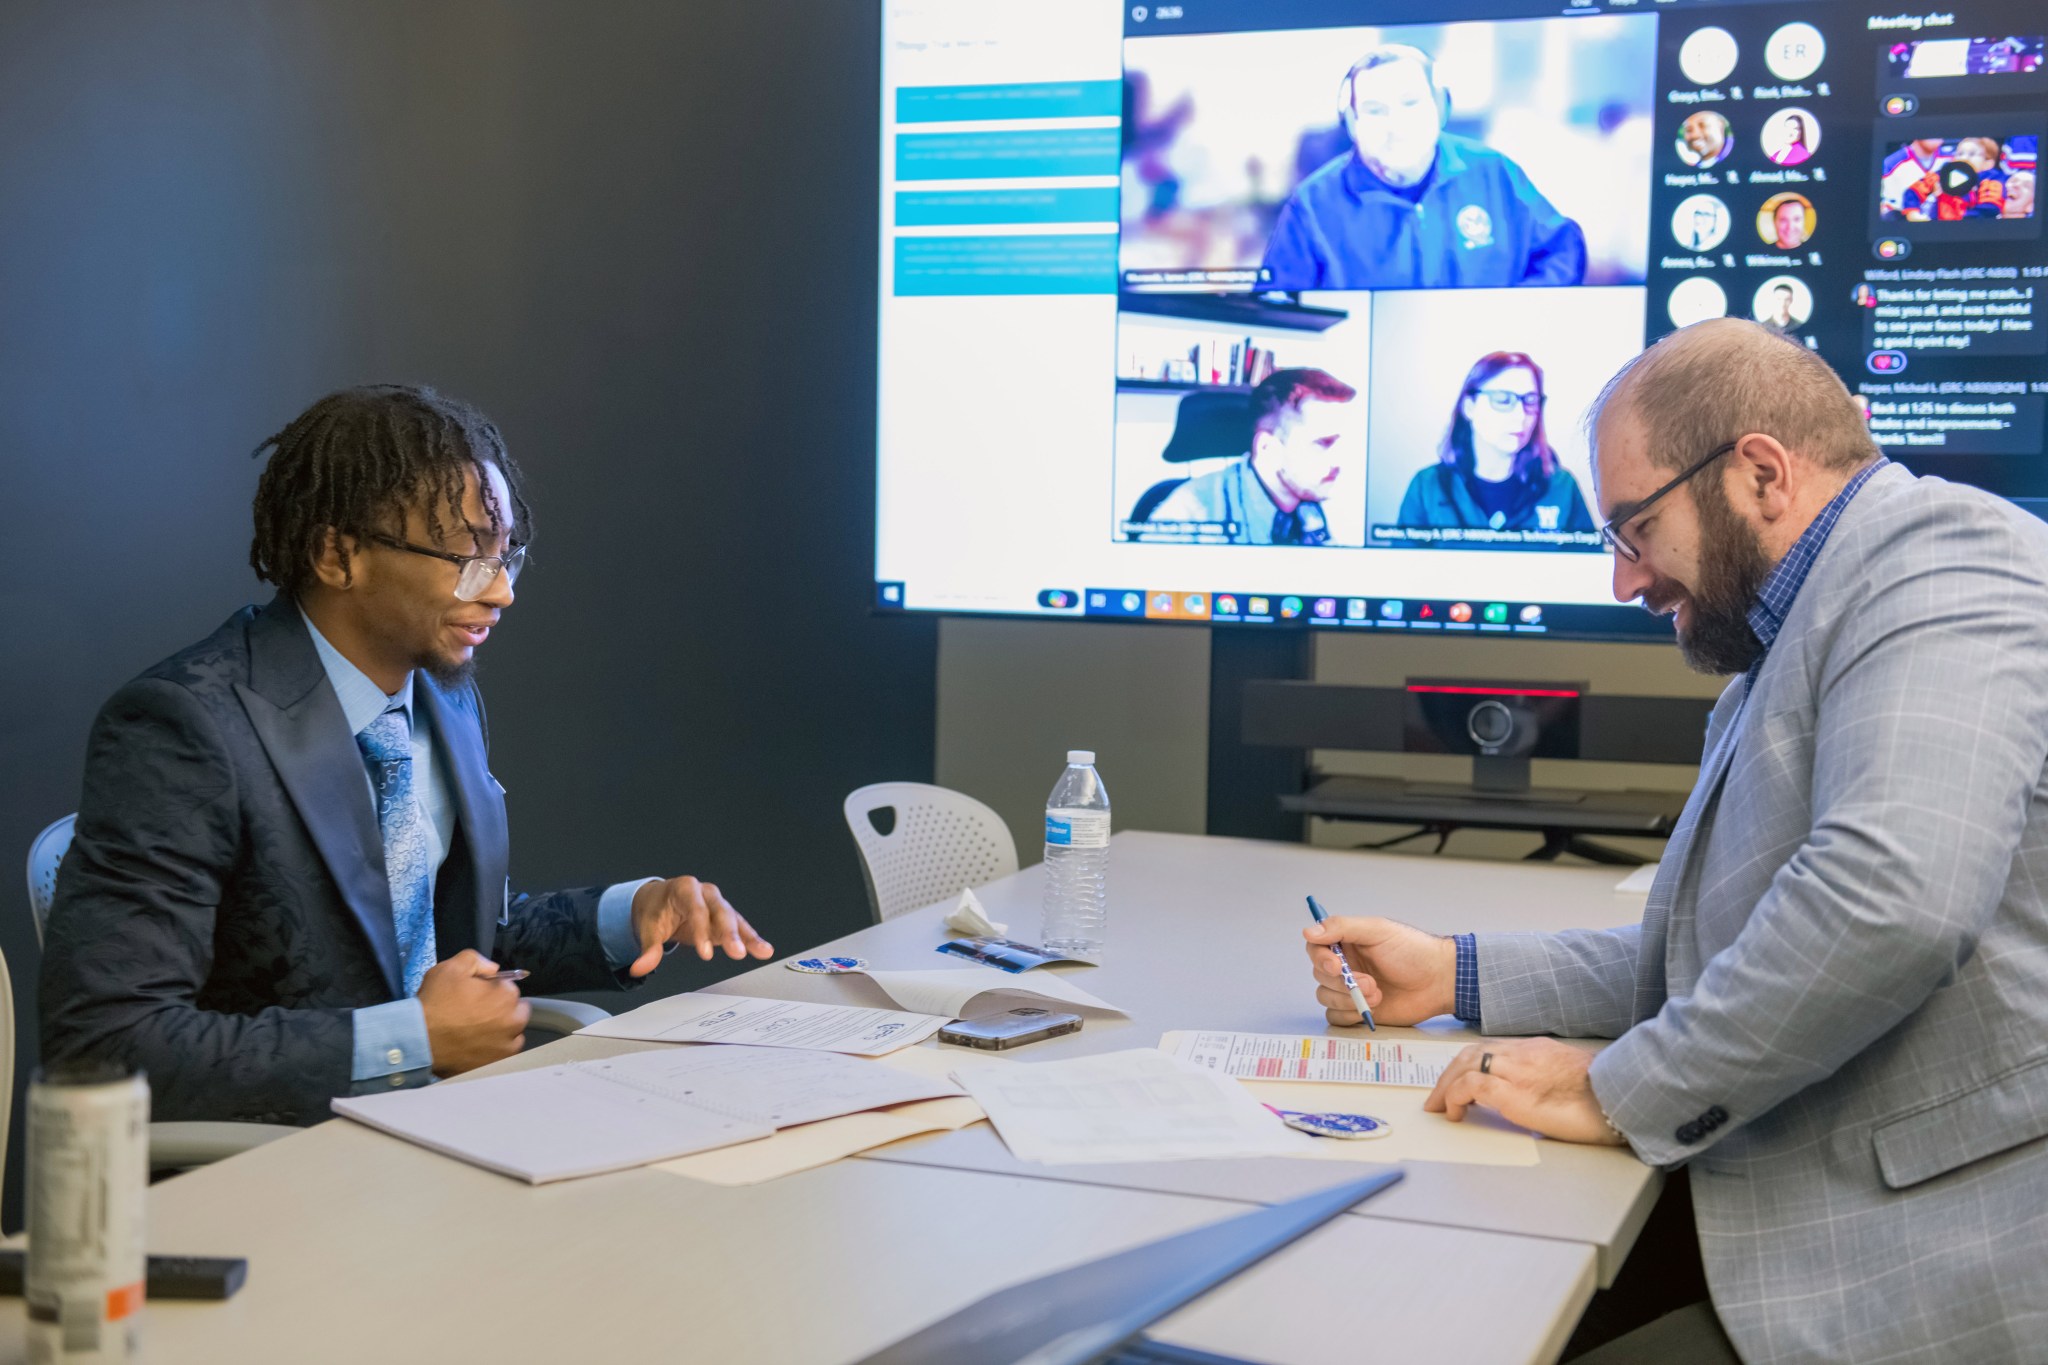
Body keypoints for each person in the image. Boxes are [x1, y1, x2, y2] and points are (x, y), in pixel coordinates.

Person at [1304, 319, 2048, 1363]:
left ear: (1757, 473)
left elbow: (1888, 902)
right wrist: (1453, 973)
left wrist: (1611, 1090)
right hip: (1785, 1167)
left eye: (1633, 528)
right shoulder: (1790, 638)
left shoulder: (1942, 562)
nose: (1623, 579)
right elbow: (1719, 942)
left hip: (1925, 1244)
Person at [42, 385, 776, 1125]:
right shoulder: (184, 727)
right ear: (337, 553)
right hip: (285, 1174)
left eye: (509, 554)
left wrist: (631, 913)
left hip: (441, 1136)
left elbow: (446, 936)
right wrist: (409, 1040)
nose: (501, 592)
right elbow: (106, 1044)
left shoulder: (441, 696)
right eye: (466, 557)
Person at [1259, 46, 1586, 290]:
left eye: (1410, 103)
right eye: (1375, 110)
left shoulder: (1493, 171)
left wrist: (1517, 310)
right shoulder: (1312, 205)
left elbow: (1562, 250)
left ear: (1439, 106)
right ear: (1352, 123)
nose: (1395, 125)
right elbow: (1275, 299)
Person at [1145, 368, 1355, 545]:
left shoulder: (1316, 504)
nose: (1339, 462)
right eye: (1323, 444)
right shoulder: (1190, 515)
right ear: (1267, 449)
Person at [1393, 352, 1593, 536]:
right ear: (1469, 406)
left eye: (1530, 400)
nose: (1520, 415)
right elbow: (1404, 570)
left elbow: (1588, 570)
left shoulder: (1561, 487)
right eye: (1503, 400)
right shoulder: (1427, 487)